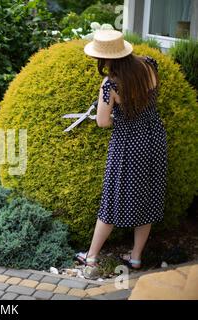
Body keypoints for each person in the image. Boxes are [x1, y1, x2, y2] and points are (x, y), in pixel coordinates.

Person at [76, 30, 168, 276]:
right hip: (154, 139)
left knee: (113, 199)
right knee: (147, 197)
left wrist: (112, 113)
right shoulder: (149, 65)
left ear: (106, 58)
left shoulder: (111, 84)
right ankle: (136, 258)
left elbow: (103, 122)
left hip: (128, 145)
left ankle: (92, 257)